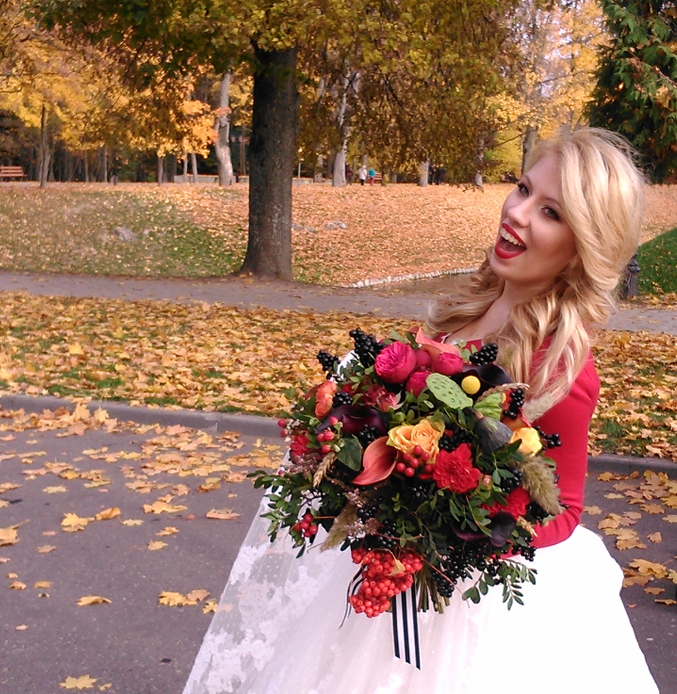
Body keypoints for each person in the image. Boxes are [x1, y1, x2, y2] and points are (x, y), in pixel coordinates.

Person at [182, 128, 660, 694]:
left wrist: (451, 534)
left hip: (470, 606)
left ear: (581, 248)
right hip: (397, 573)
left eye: (550, 212)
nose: (517, 212)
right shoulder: (466, 310)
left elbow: (565, 510)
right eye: (522, 188)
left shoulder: (559, 366)